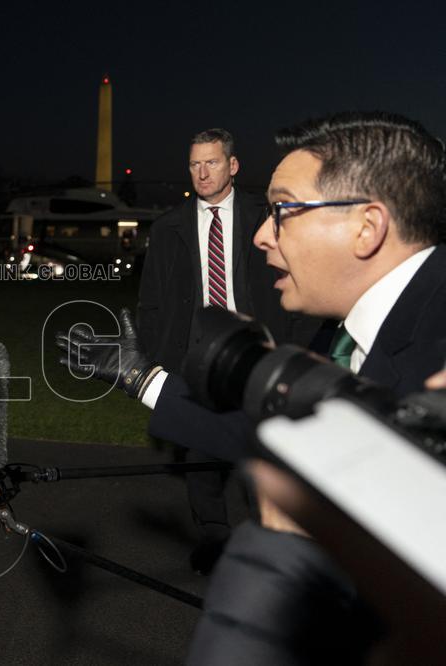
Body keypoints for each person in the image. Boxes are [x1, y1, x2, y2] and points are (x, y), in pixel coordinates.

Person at [60, 111, 446, 663]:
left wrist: (281, 542)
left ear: (367, 226)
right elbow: (276, 426)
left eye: (283, 210)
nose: (263, 234)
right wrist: (141, 377)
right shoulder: (341, 332)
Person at [136, 129, 307, 574]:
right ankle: (214, 540)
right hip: (193, 358)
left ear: (232, 166)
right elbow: (151, 301)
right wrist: (157, 356)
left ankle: (268, 544)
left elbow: (300, 279)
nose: (202, 173)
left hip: (257, 352)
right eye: (194, 164)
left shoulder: (264, 216)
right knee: (200, 460)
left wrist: (292, 348)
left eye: (211, 163)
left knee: (262, 454)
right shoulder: (169, 226)